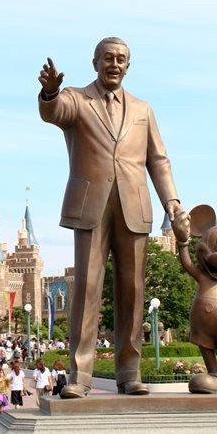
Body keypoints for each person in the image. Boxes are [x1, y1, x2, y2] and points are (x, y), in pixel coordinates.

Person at [38, 37, 186, 398]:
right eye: (108, 58)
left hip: (134, 205)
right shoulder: (77, 99)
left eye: (121, 59)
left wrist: (172, 201)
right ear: (95, 63)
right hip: (91, 204)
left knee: (133, 291)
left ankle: (129, 373)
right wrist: (50, 93)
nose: (114, 64)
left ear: (128, 66)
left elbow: (158, 160)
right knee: (87, 288)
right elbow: (54, 112)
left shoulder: (143, 109)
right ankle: (80, 376)